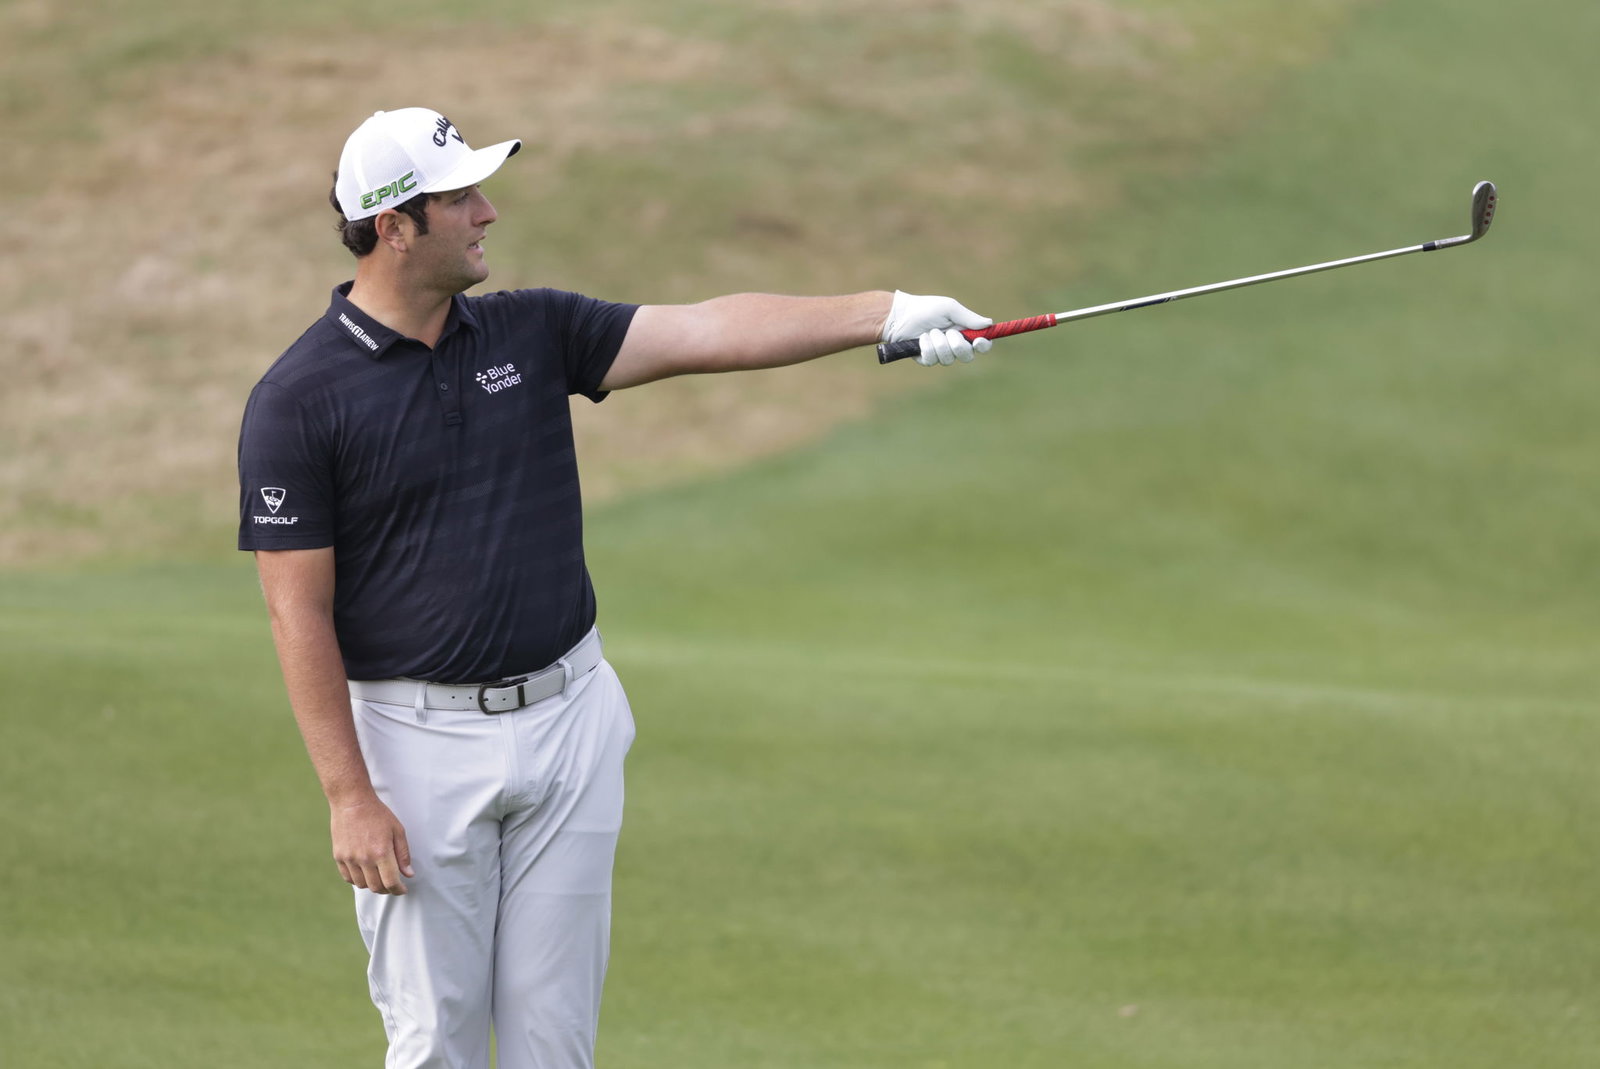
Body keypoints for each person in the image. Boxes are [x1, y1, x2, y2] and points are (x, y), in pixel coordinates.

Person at [237, 107, 991, 1069]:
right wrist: (349, 794)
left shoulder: (532, 328)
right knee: (438, 1045)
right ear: (395, 225)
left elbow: (706, 329)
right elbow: (294, 609)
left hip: (570, 721)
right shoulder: (299, 399)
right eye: (461, 197)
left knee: (557, 1046)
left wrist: (883, 312)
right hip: (416, 749)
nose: (488, 211)